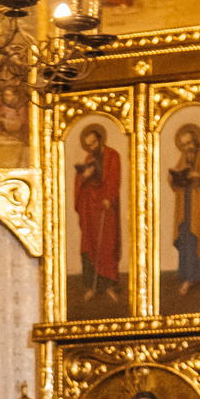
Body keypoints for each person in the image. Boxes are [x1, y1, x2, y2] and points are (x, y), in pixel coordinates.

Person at [168, 124, 200, 300]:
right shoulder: (184, 157)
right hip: (185, 205)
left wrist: (197, 175)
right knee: (187, 240)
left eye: (190, 143)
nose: (188, 147)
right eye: (184, 145)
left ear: (196, 140)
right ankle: (188, 278)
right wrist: (174, 177)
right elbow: (177, 180)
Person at [73, 122, 124, 303]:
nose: (91, 147)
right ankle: (92, 287)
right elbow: (80, 181)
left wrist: (108, 197)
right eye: (88, 145)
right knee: (90, 244)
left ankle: (109, 286)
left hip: (106, 207)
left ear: (100, 140)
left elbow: (114, 178)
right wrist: (83, 177)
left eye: (93, 143)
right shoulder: (88, 158)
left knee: (107, 244)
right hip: (90, 207)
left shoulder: (113, 156)